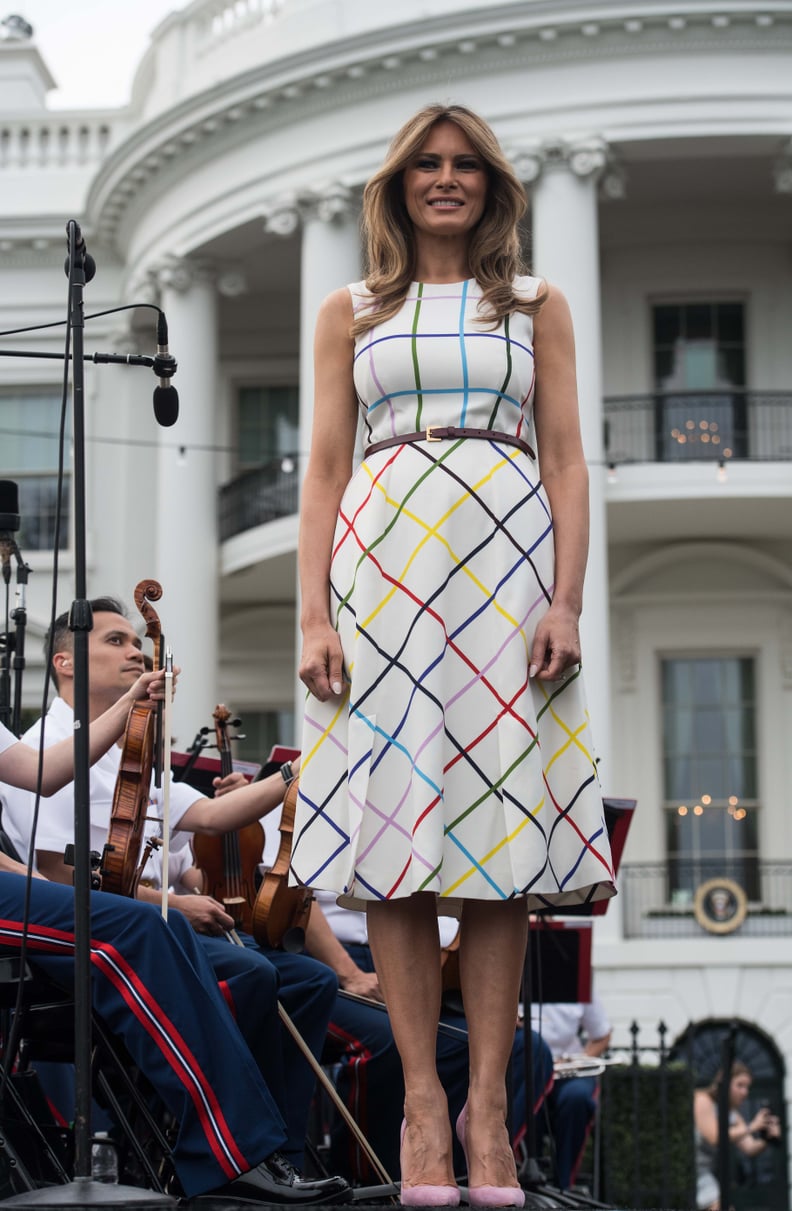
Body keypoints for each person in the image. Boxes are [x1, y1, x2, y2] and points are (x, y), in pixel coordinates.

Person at [291, 101, 615, 1207]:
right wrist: (313, 615)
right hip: (382, 563)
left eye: (464, 164)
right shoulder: (351, 309)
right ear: (398, 184)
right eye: (425, 164)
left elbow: (569, 460)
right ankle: (421, 1101)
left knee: (493, 834)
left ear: (491, 184)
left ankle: (486, 1111)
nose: (444, 179)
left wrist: (566, 599)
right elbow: (324, 471)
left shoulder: (535, 306)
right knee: (399, 833)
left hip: (506, 563)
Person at [0, 598, 338, 1176]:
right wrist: (170, 903)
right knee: (226, 960)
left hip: (108, 906)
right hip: (95, 914)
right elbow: (56, 846)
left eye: (137, 643)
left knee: (306, 979)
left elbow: (211, 817)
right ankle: (224, 1157)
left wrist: (299, 771)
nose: (135, 652)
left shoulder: (134, 750)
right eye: (116, 642)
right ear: (65, 661)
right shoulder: (47, 739)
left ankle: (273, 1155)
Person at [303, 888, 554, 1185]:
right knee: (388, 1039)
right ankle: (374, 1175)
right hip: (335, 960)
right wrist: (350, 974)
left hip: (441, 963)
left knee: (526, 1048)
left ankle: (470, 1151)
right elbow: (294, 891)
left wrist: (490, 998)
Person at [529, 994, 611, 1189]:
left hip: (568, 1071)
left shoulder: (577, 982)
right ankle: (527, 1180)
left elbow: (602, 1035)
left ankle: (564, 1185)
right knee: (526, 1101)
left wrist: (580, 1059)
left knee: (577, 1099)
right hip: (530, 1069)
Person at [693, 1061, 781, 1211]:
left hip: (704, 1174)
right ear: (723, 1082)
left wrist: (768, 1138)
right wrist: (752, 1126)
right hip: (688, 1171)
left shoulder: (732, 1115)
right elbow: (715, 1137)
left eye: (747, 1087)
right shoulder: (702, 1100)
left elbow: (750, 1148)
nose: (745, 1092)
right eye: (740, 1085)